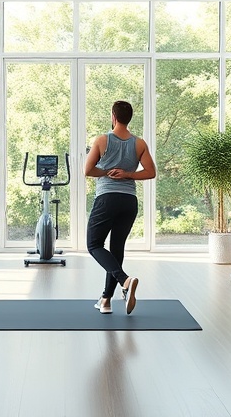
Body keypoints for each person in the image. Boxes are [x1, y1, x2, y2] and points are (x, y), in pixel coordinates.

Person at [84, 100, 156, 315]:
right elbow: (150, 172)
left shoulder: (102, 140)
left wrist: (107, 172)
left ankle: (125, 281)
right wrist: (128, 174)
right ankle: (106, 300)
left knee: (94, 244)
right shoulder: (139, 143)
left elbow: (88, 170)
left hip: (107, 198)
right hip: (129, 201)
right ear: (129, 118)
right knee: (116, 249)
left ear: (113, 116)